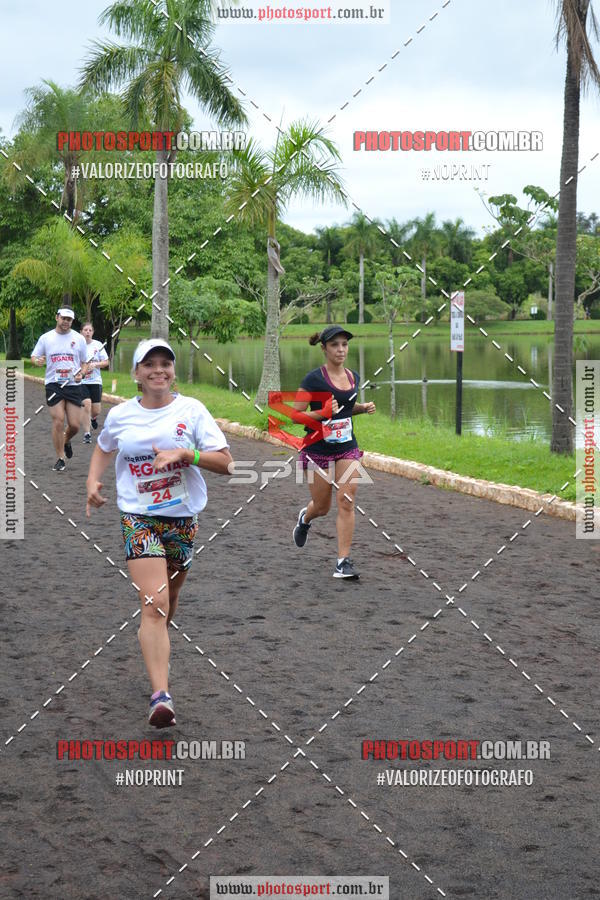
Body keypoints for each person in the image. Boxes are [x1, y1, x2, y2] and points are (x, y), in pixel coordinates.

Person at [85, 338, 233, 728]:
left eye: (165, 363)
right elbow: (103, 447)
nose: (158, 370)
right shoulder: (121, 415)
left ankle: (156, 646)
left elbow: (226, 464)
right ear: (135, 373)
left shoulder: (192, 410)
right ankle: (160, 696)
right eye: (148, 364)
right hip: (138, 517)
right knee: (154, 604)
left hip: (182, 519)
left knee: (170, 598)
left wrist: (187, 455)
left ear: (173, 371)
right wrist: (93, 481)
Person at [292, 325, 376, 579]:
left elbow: (346, 410)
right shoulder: (313, 379)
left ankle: (343, 562)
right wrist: (322, 413)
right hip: (317, 448)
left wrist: (362, 408)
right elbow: (295, 416)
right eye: (335, 345)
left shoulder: (354, 377)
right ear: (324, 348)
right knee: (322, 507)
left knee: (347, 500)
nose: (341, 350)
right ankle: (305, 518)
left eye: (344, 345)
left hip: (346, 447)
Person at [31, 308, 88, 472]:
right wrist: (38, 361)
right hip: (54, 384)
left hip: (73, 385)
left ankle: (66, 440)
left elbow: (85, 362)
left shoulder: (79, 338)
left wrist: (82, 373)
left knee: (75, 425)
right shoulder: (46, 338)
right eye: (63, 318)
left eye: (69, 320)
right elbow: (35, 356)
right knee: (58, 420)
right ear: (57, 317)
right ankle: (60, 458)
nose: (66, 322)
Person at [80, 322, 109, 443]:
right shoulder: (77, 345)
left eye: (90, 330)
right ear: (81, 331)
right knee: (86, 404)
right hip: (81, 381)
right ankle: (87, 434)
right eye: (85, 330)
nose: (87, 332)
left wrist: (95, 364)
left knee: (96, 410)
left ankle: (93, 418)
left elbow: (106, 362)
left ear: (93, 332)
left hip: (96, 381)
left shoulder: (98, 345)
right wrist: (83, 368)